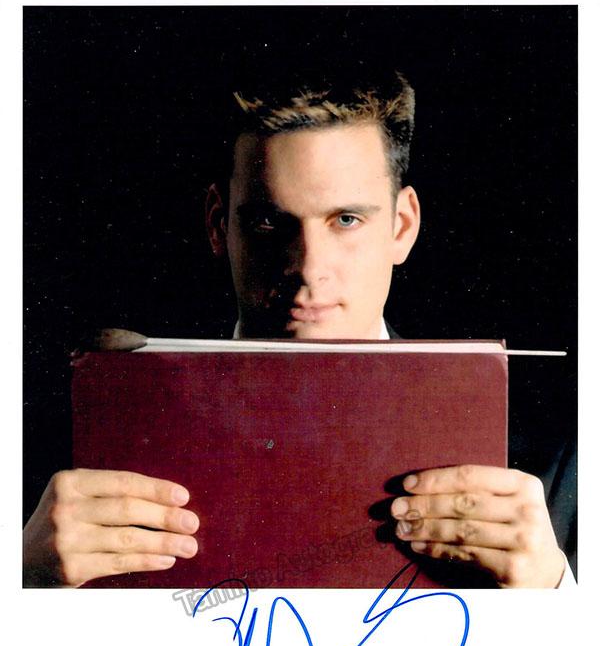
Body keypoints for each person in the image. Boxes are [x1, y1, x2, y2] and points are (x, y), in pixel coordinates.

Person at [22, 70, 575, 589]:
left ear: (402, 226)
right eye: (269, 222)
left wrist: (556, 598)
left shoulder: (545, 461)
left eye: (346, 219)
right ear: (218, 224)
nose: (308, 268)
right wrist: (22, 585)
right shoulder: (67, 448)